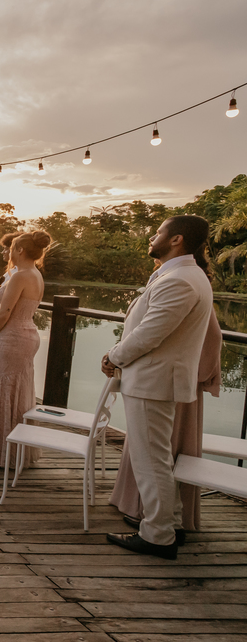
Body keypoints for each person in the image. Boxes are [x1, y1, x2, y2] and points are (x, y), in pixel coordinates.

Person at [103, 215, 215, 560]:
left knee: (150, 461)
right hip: (156, 380)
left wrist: (113, 356)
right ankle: (168, 523)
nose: (152, 237)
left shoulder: (180, 280)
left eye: (158, 232)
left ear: (176, 239)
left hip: (153, 381)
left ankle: (157, 535)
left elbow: (150, 333)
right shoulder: (182, 274)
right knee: (157, 458)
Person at [110, 307, 221, 534]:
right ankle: (147, 511)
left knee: (162, 451)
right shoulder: (166, 288)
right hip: (153, 379)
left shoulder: (189, 290)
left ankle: (163, 524)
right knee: (148, 450)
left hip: (172, 382)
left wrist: (197, 374)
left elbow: (213, 337)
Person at [0, 231, 50, 466]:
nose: (9, 252)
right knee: (20, 390)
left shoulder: (20, 276)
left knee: (5, 389)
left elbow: (5, 312)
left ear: (20, 250)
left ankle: (2, 451)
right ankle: (17, 449)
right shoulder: (36, 275)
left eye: (13, 247)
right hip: (28, 334)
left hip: (14, 336)